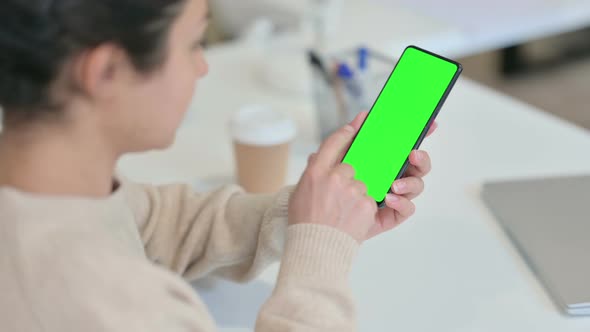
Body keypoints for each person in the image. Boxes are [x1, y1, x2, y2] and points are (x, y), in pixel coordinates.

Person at [0, 0, 436, 331]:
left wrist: (311, 215)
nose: (203, 67)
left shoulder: (50, 189)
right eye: (194, 45)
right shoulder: (102, 305)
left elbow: (159, 225)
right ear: (108, 71)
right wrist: (321, 252)